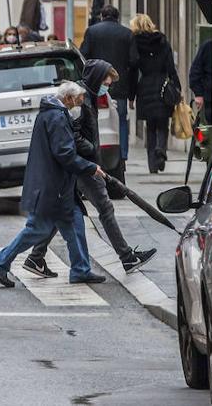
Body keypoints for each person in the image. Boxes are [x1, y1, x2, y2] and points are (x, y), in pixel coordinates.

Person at [22, 61, 157, 279]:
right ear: (96, 79)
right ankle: (126, 257)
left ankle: (36, 256)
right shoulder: (80, 101)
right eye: (106, 82)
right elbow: (71, 135)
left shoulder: (89, 97)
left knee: (65, 212)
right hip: (83, 166)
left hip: (81, 164)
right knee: (104, 207)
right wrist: (91, 151)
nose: (108, 87)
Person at [0, 82, 108, 288]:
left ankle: (80, 269)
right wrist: (90, 167)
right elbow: (65, 154)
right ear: (68, 98)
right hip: (54, 187)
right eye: (78, 99)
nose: (80, 103)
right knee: (37, 230)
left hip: (55, 185)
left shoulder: (52, 114)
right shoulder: (57, 117)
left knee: (74, 223)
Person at [79, 6, 138, 175]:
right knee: (120, 120)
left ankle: (99, 149)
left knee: (98, 120)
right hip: (119, 85)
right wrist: (131, 91)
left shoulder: (92, 31)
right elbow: (134, 61)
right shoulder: (127, 34)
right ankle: (123, 154)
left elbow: (84, 55)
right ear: (117, 17)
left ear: (101, 16)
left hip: (97, 83)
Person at [130, 13, 181, 174]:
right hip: (162, 86)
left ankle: (152, 163)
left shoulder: (136, 43)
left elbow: (133, 69)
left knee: (150, 126)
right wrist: (177, 88)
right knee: (163, 124)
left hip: (144, 86)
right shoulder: (162, 40)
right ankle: (161, 149)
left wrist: (131, 96)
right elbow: (170, 67)